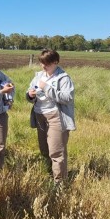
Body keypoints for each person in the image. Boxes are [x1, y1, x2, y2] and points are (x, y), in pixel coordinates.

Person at [26, 49, 75, 183]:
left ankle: (59, 183)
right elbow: (30, 91)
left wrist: (47, 88)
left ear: (56, 62)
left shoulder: (64, 78)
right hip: (39, 115)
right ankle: (49, 174)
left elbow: (67, 97)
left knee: (56, 151)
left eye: (47, 63)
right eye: (42, 63)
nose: (43, 66)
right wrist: (30, 95)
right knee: (44, 149)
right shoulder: (38, 75)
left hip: (56, 116)